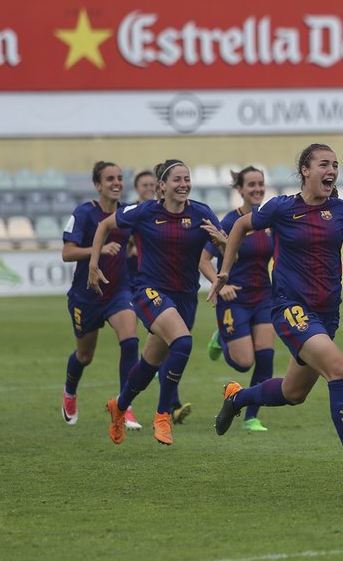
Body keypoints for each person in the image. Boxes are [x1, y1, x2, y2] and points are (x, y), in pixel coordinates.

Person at [212, 144, 343, 487]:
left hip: (326, 316)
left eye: (336, 165)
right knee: (339, 370)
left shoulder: (341, 211)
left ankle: (238, 397)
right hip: (290, 309)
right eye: (324, 164)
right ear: (305, 170)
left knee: (292, 393)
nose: (332, 170)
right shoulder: (282, 208)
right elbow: (240, 225)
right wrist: (225, 270)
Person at [89, 159, 225, 446]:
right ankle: (163, 413)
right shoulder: (145, 211)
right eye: (177, 179)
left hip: (185, 298)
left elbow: (225, 247)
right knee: (184, 342)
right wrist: (93, 264)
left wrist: (223, 248)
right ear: (162, 186)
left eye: (187, 179)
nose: (184, 184)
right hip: (149, 291)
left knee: (149, 365)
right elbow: (104, 226)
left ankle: (119, 405)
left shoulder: (201, 212)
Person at [60, 162, 140, 430]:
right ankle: (70, 392)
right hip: (86, 295)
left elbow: (134, 239)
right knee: (85, 356)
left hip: (119, 291)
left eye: (119, 178)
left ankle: (124, 405)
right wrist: (99, 249)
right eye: (109, 179)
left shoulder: (127, 212)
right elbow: (67, 253)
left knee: (130, 342)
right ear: (97, 185)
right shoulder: (84, 213)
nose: (116, 183)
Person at [202, 167, 277, 432]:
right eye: (251, 185)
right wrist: (219, 286)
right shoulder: (229, 222)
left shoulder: (268, 221)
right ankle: (221, 338)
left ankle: (251, 417)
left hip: (264, 297)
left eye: (261, 184)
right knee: (244, 363)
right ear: (240, 189)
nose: (257, 189)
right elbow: (204, 259)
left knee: (266, 356)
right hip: (234, 298)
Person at [129, 168, 191, 422]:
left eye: (149, 184)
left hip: (177, 292)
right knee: (176, 342)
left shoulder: (180, 214)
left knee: (159, 355)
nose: (146, 188)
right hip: (143, 288)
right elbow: (117, 234)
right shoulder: (139, 214)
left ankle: (122, 404)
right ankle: (168, 409)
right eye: (143, 185)